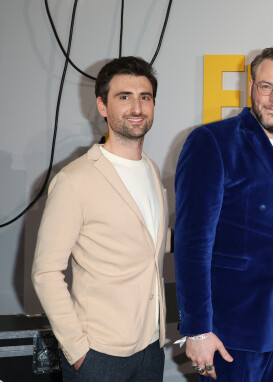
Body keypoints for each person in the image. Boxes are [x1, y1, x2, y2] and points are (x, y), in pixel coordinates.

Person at [174, 46, 273, 381]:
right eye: (266, 86)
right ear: (251, 85)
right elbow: (193, 244)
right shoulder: (212, 141)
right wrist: (197, 330)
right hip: (230, 332)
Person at [32, 56, 169, 381]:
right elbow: (46, 271)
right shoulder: (74, 179)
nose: (137, 107)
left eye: (145, 97)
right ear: (102, 105)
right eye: (124, 97)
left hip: (151, 349)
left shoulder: (151, 170)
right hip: (98, 356)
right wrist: (78, 350)